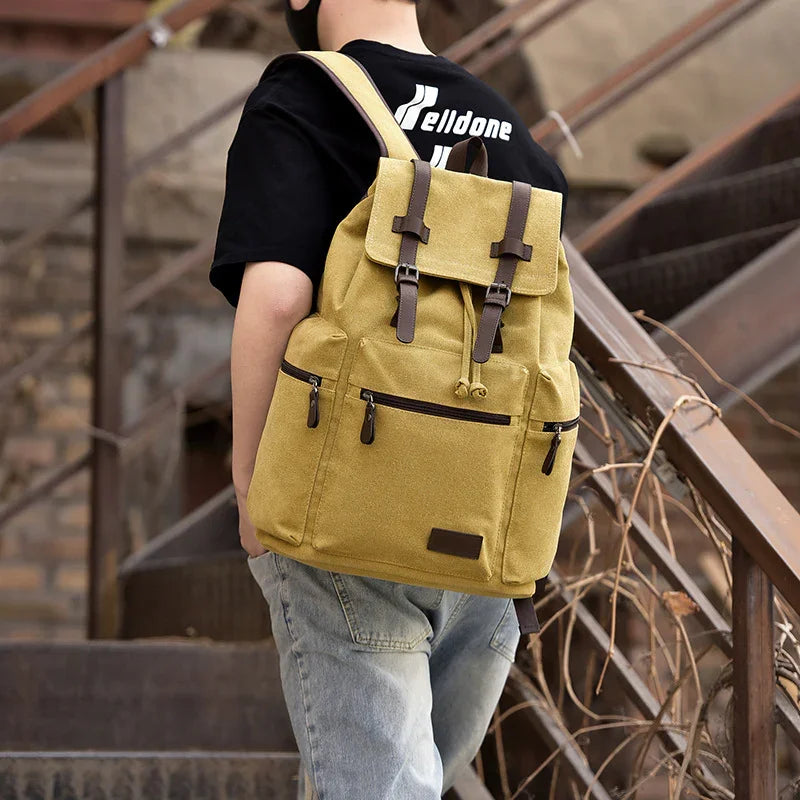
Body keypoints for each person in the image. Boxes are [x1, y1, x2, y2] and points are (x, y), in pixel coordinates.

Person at [210, 1, 568, 797]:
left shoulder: (306, 97)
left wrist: (248, 483)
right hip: (482, 522)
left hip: (341, 500)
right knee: (411, 777)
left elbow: (273, 299)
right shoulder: (507, 128)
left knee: (370, 781)